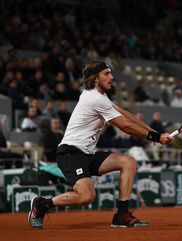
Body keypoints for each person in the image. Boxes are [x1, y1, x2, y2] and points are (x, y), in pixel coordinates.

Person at [28, 60, 174, 229]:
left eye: (111, 73)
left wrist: (156, 133)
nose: (111, 77)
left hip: (87, 154)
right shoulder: (94, 98)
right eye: (107, 74)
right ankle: (41, 204)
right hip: (71, 154)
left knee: (128, 162)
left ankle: (122, 215)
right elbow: (124, 126)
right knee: (86, 196)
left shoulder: (100, 96)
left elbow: (125, 114)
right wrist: (155, 137)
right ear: (96, 78)